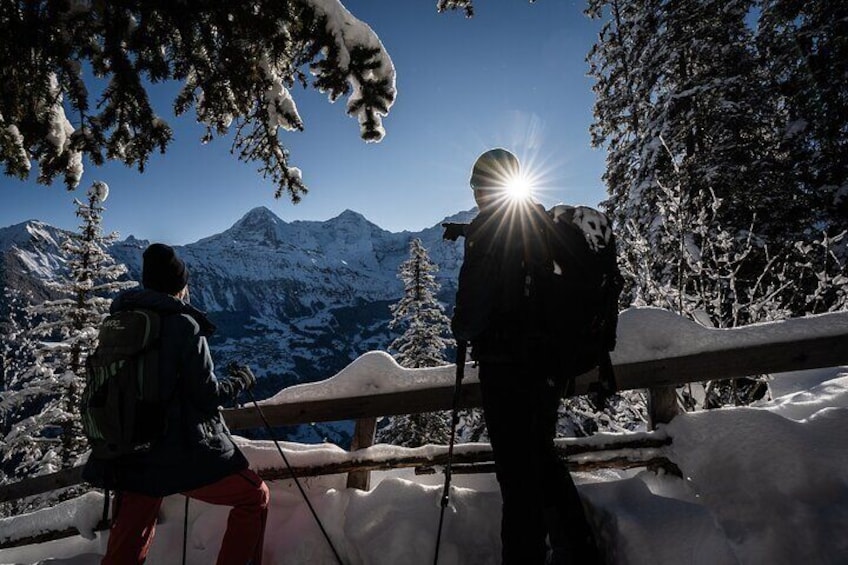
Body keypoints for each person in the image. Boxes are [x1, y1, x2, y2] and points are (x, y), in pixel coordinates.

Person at [446, 149, 600, 564]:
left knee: (517, 477)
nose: (478, 194)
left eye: (479, 186)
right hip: (548, 366)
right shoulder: (537, 222)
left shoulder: (488, 232)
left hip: (508, 369)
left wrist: (460, 328)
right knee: (540, 459)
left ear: (483, 188)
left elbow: (473, 312)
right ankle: (581, 550)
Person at [83, 243, 269, 565]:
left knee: (129, 539)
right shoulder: (185, 326)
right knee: (254, 496)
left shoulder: (121, 322)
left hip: (127, 452)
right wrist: (240, 381)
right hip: (176, 455)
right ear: (180, 286)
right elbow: (206, 395)